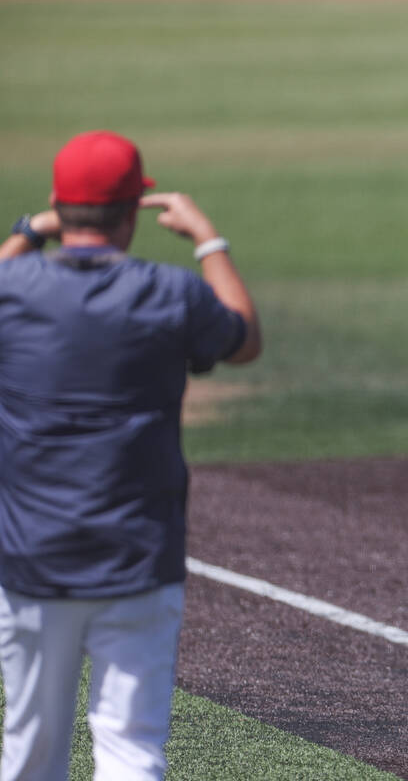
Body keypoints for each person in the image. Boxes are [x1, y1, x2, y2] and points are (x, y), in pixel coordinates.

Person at [0, 130, 261, 780]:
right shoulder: (169, 293)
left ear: (63, 206)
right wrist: (209, 240)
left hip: (32, 558)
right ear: (130, 212)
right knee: (131, 749)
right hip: (138, 555)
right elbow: (244, 339)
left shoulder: (14, 290)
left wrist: (32, 227)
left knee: (29, 747)